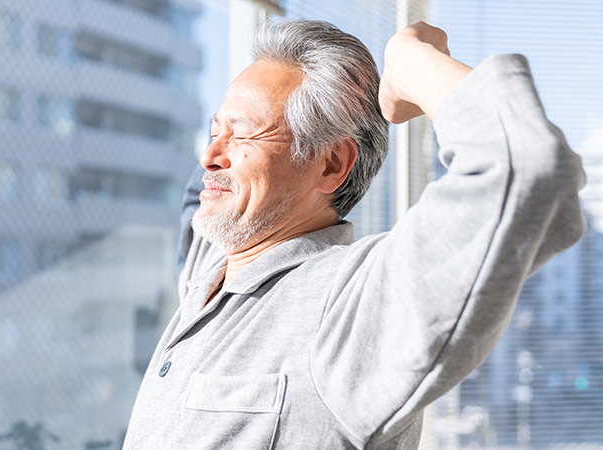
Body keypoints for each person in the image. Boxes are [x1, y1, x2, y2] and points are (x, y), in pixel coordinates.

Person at [124, 19, 586, 449]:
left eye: (242, 135)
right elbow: (209, 189)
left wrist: (411, 61)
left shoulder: (352, 305)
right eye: (213, 132)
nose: (209, 155)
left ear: (331, 165)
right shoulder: (217, 261)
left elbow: (521, 165)